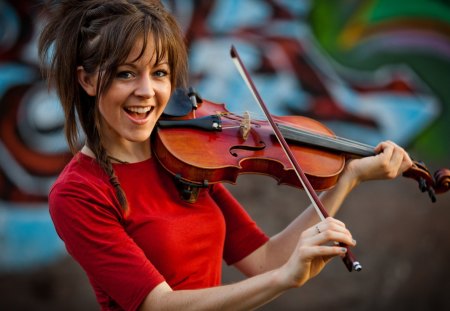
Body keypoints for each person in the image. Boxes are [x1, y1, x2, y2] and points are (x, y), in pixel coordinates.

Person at [38, 0, 413, 310]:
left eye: (160, 72)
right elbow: (159, 305)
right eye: (125, 74)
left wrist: (348, 179)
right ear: (86, 80)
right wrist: (284, 279)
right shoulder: (78, 193)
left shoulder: (183, 158)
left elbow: (265, 260)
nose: (147, 91)